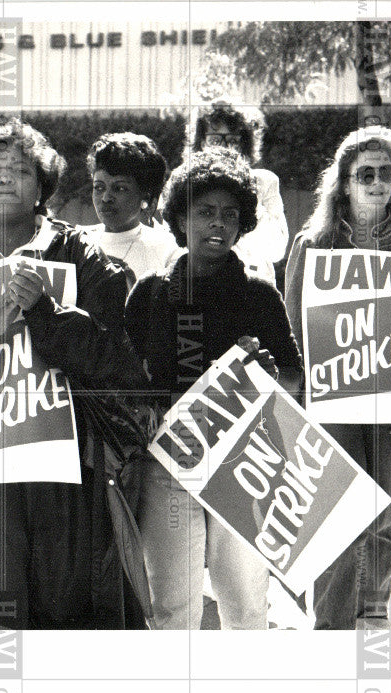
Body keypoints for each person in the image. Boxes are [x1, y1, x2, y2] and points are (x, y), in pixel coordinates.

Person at [0, 121, 148, 630]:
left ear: (43, 189)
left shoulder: (77, 252)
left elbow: (113, 356)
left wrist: (45, 311)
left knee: (64, 602)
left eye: (20, 169)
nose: (4, 177)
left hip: (61, 467)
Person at [125, 148, 302, 630]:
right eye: (204, 212)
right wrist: (142, 411)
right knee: (174, 609)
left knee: (245, 608)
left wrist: (267, 374)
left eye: (230, 214)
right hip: (170, 468)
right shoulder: (151, 293)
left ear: (244, 222)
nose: (217, 225)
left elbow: (294, 380)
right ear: (179, 218)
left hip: (243, 469)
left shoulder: (259, 293)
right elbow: (124, 378)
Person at [283, 126, 391, 629]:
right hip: (329, 403)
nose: (377, 182)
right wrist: (300, 407)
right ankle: (330, 626)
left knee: (385, 518)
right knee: (334, 515)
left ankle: (372, 617)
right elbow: (290, 330)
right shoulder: (312, 246)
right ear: (345, 183)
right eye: (366, 174)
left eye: (387, 173)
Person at [192, 100, 289, 285]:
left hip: (253, 289)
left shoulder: (264, 182)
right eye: (215, 139)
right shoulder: (188, 185)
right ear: (202, 143)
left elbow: (277, 250)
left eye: (233, 141)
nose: (224, 147)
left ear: (244, 145)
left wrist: (250, 196)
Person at [82, 132, 181, 280]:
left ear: (145, 196)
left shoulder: (168, 249)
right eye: (99, 187)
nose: (106, 198)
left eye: (120, 188)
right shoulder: (77, 242)